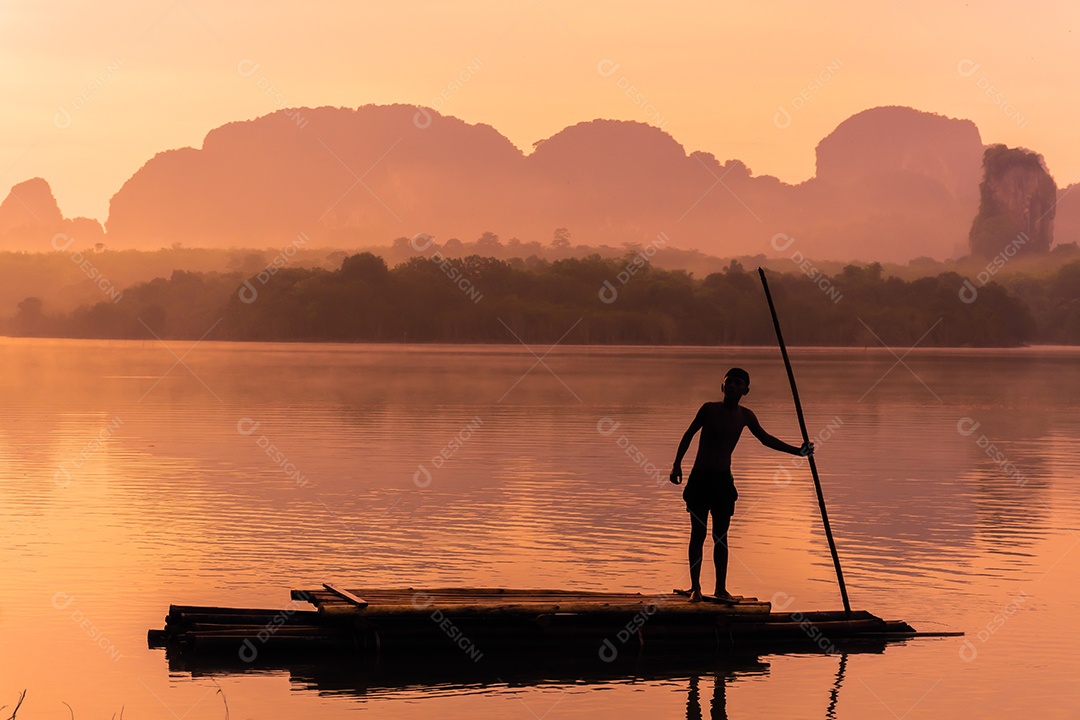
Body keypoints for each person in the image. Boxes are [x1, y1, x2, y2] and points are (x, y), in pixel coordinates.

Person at [670, 367, 812, 603]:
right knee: (698, 533)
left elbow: (766, 440)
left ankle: (721, 589)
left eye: (738, 383)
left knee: (721, 536)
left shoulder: (745, 416)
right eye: (729, 382)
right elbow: (688, 435)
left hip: (723, 482)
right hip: (700, 479)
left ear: (746, 390)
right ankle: (696, 588)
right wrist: (677, 465)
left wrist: (798, 451)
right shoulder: (709, 409)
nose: (733, 386)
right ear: (722, 387)